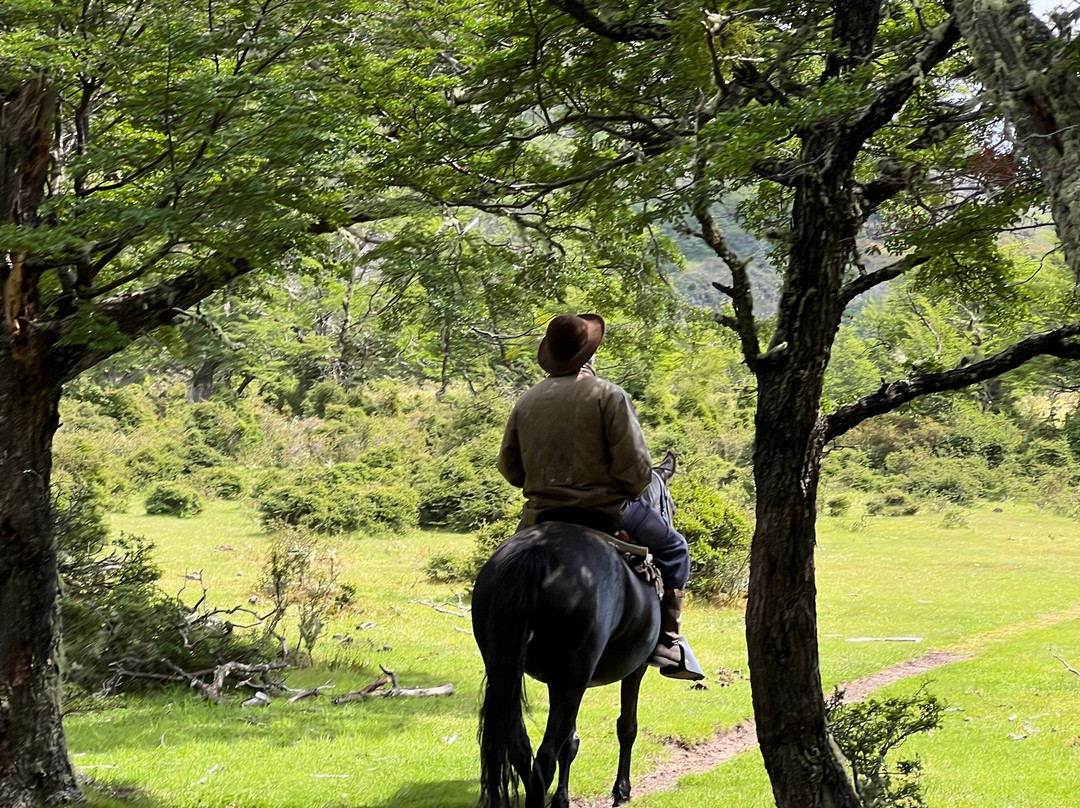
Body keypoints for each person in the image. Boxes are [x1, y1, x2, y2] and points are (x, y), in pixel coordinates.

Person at [497, 313, 704, 681]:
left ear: (553, 355)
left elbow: (510, 469)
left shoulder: (527, 400)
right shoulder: (607, 394)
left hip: (539, 515)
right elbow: (637, 470)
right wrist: (625, 489)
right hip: (607, 510)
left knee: (508, 565)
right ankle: (669, 642)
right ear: (589, 355)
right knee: (675, 550)